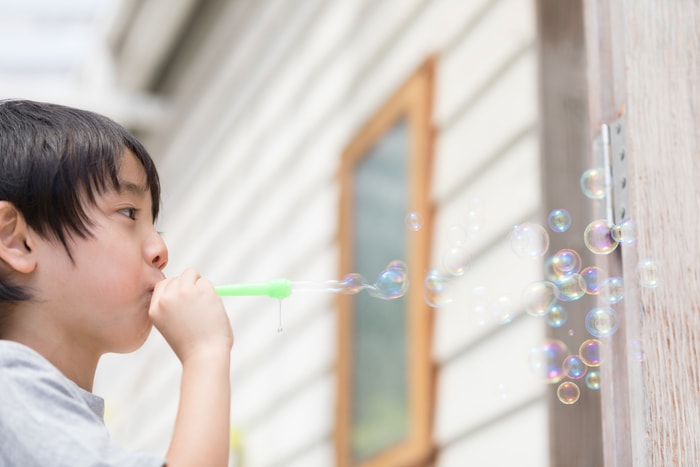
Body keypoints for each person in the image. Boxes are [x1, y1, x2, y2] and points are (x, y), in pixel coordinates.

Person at [0, 99, 234, 466]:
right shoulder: (9, 390)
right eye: (128, 213)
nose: (160, 249)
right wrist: (205, 353)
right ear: (16, 241)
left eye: (154, 226)